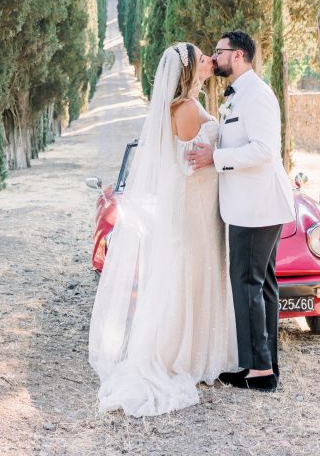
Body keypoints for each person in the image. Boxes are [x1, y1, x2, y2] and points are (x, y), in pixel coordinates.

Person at [88, 43, 238, 417]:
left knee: (195, 276)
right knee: (190, 276)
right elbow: (189, 164)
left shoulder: (188, 104)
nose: (209, 60)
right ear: (188, 71)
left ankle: (201, 350)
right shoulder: (184, 108)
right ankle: (182, 354)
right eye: (203, 57)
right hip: (193, 211)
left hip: (200, 209)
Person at [187, 30, 295, 392]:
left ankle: (260, 372)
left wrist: (214, 158)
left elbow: (264, 150)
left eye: (218, 52)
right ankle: (263, 365)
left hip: (257, 207)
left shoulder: (258, 95)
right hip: (249, 206)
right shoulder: (238, 94)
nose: (214, 58)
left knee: (247, 284)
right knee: (261, 285)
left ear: (238, 56)